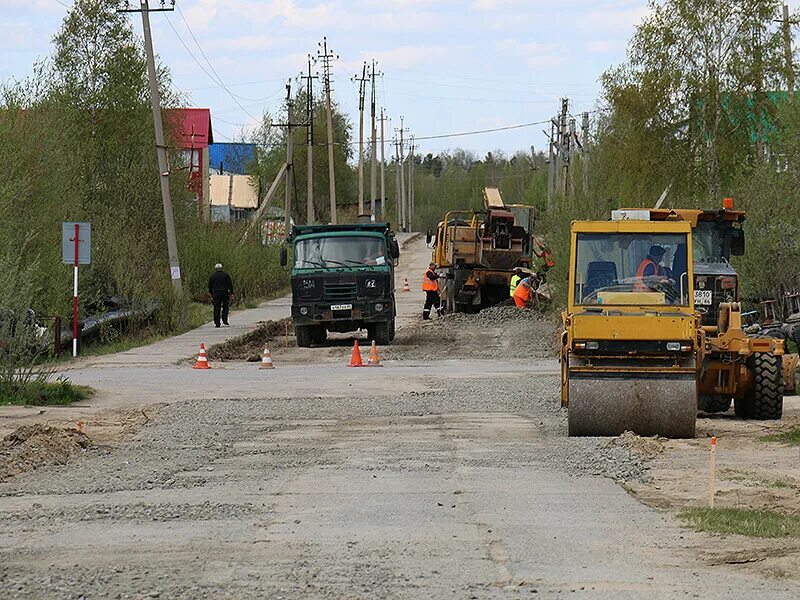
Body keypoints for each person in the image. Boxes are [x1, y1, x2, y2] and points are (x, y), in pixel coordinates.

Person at [208, 263, 234, 328]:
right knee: (225, 306)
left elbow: (210, 286)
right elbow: (230, 284)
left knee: (217, 308)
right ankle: (225, 320)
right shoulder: (226, 275)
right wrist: (231, 293)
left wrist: (211, 293)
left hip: (216, 293)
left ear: (215, 269)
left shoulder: (213, 276)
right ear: (221, 268)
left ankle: (217, 323)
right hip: (225, 293)